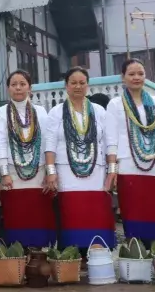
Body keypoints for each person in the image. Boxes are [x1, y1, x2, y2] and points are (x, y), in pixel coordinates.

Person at [104, 58, 155, 246]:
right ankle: (138, 257)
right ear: (123, 78)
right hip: (129, 166)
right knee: (134, 212)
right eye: (131, 74)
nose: (136, 77)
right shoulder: (115, 104)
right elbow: (111, 139)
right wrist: (112, 170)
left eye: (140, 73)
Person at [43, 67, 115, 249]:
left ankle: (97, 253)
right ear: (66, 86)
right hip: (67, 172)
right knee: (72, 214)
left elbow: (109, 142)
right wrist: (51, 172)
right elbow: (49, 144)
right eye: (73, 83)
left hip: (96, 171)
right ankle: (72, 257)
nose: (78, 86)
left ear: (87, 85)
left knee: (95, 213)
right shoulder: (57, 112)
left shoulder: (99, 111)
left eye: (82, 83)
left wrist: (112, 170)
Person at [0, 70, 56, 248]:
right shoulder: (1, 113)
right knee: (17, 217)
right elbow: (0, 143)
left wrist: (48, 171)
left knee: (40, 217)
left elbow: (46, 142)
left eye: (22, 84)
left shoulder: (41, 111)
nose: (18, 88)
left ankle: (40, 258)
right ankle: (18, 258)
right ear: (8, 88)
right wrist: (4, 173)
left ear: (30, 87)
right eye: (14, 84)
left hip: (38, 173)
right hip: (12, 174)